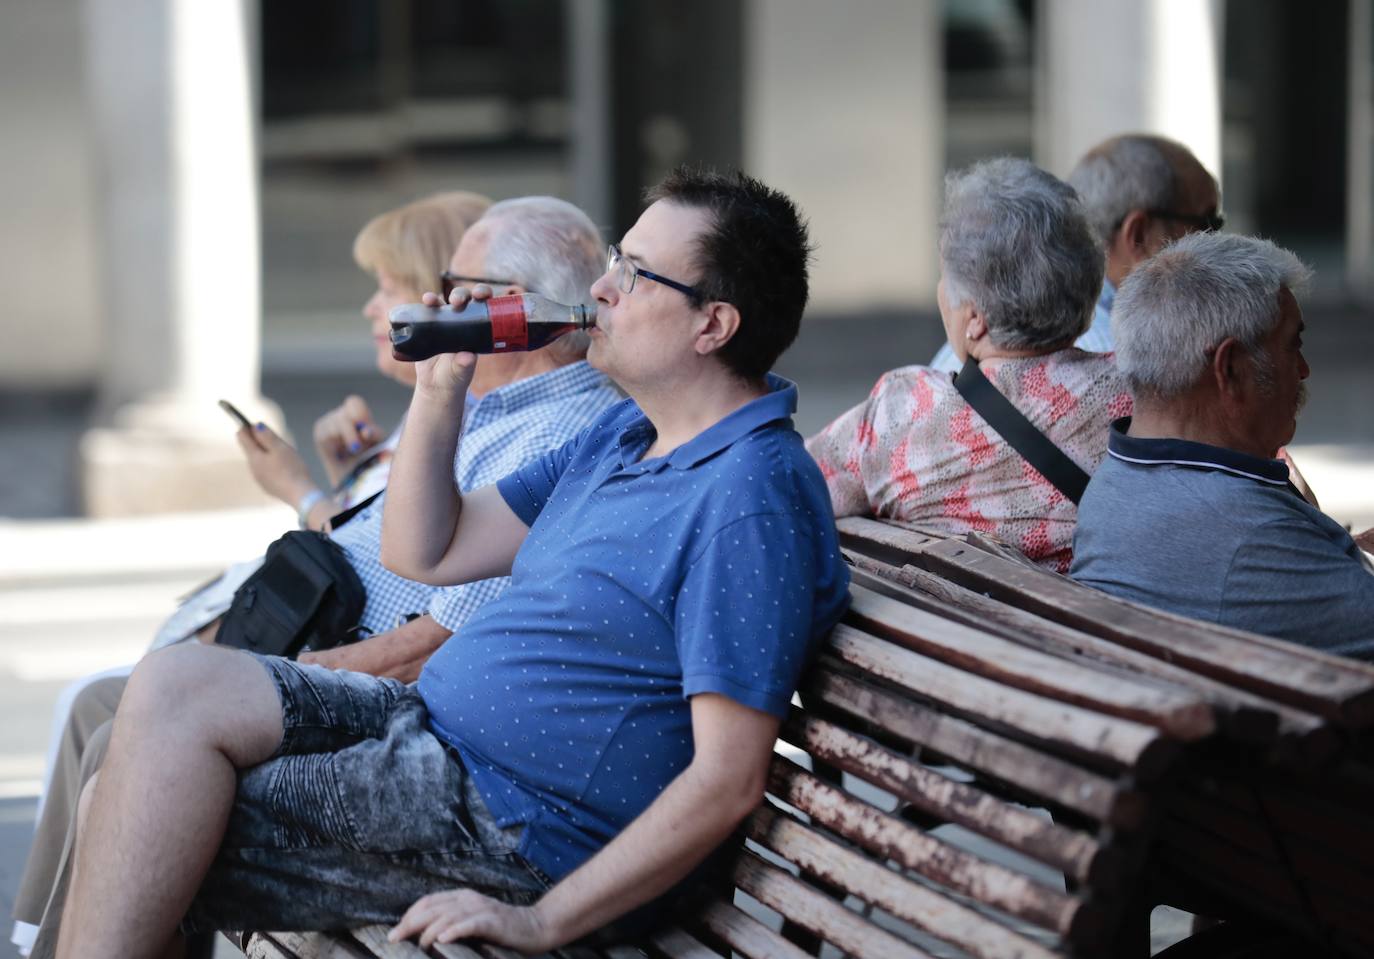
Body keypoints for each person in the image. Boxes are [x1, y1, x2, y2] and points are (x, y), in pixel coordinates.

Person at [55, 166, 849, 958]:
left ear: (712, 324)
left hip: (517, 826)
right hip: (438, 738)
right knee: (171, 687)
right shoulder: (626, 436)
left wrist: (544, 921)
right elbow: (426, 549)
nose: (603, 289)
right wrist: (441, 389)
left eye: (635, 275)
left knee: (124, 811)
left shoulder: (749, 496)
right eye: (615, 258)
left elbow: (727, 779)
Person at [21, 194, 624, 959]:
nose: (430, 305)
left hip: (451, 748)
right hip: (422, 720)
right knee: (140, 726)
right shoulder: (487, 403)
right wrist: (416, 411)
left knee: (134, 752)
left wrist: (282, 674)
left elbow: (436, 629)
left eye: (452, 288)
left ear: (508, 309)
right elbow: (414, 552)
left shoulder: (568, 428)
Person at [808, 158, 1131, 573]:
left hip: (935, 634)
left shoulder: (900, 412)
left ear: (975, 317)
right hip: (1094, 634)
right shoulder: (1138, 397)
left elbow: (788, 489)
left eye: (945, 278)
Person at [1070, 232, 1374, 659]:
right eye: (1293, 345)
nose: (1304, 370)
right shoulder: (1255, 537)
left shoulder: (1116, 482)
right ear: (1229, 369)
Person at [928, 133, 1221, 372]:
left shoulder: (954, 360)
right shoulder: (1126, 360)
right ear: (1138, 233)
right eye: (1207, 223)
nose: (1215, 241)